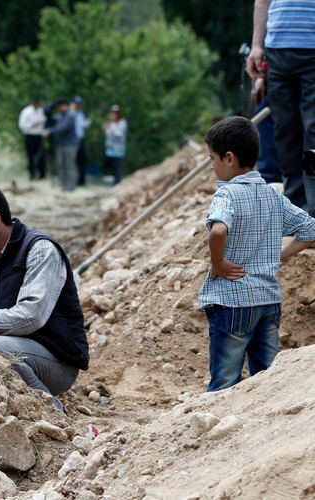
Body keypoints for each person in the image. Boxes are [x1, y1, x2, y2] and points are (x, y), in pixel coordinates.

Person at [0, 181, 89, 412]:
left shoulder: (40, 250)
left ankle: (52, 411)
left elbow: (31, 316)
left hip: (57, 361)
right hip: (15, 349)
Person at [198, 116, 315, 392]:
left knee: (224, 383)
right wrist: (279, 256)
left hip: (232, 303)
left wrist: (219, 263)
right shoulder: (272, 195)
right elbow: (310, 230)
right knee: (268, 381)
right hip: (268, 302)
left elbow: (217, 232)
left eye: (212, 158)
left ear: (229, 158)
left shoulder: (227, 195)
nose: (211, 165)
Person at [247, 0, 315, 216]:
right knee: (285, 131)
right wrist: (257, 46)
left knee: (313, 129)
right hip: (276, 49)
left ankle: (314, 212)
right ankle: (296, 212)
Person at [43, 98, 79, 192]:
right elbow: (51, 119)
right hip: (62, 144)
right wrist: (48, 111)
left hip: (70, 144)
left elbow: (63, 128)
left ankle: (70, 186)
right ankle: (64, 186)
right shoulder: (60, 115)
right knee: (60, 165)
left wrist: (50, 131)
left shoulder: (70, 115)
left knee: (69, 165)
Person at [18, 98, 46, 181]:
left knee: (41, 156)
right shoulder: (26, 111)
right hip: (30, 135)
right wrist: (32, 125)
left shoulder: (41, 111)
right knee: (30, 156)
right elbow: (22, 125)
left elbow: (44, 120)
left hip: (39, 135)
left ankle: (42, 175)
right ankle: (32, 175)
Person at [102, 104, 127, 185]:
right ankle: (112, 184)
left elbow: (119, 135)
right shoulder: (111, 123)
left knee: (117, 170)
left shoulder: (122, 123)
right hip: (110, 150)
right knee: (111, 170)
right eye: (112, 113)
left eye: (115, 113)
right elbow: (108, 136)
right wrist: (106, 129)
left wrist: (111, 128)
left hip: (118, 151)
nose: (113, 115)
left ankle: (118, 185)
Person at [71, 96, 91, 186]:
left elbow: (82, 125)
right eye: (76, 103)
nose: (77, 105)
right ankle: (73, 180)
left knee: (82, 160)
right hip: (72, 139)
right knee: (72, 161)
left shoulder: (81, 114)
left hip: (81, 138)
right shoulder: (70, 113)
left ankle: (81, 181)